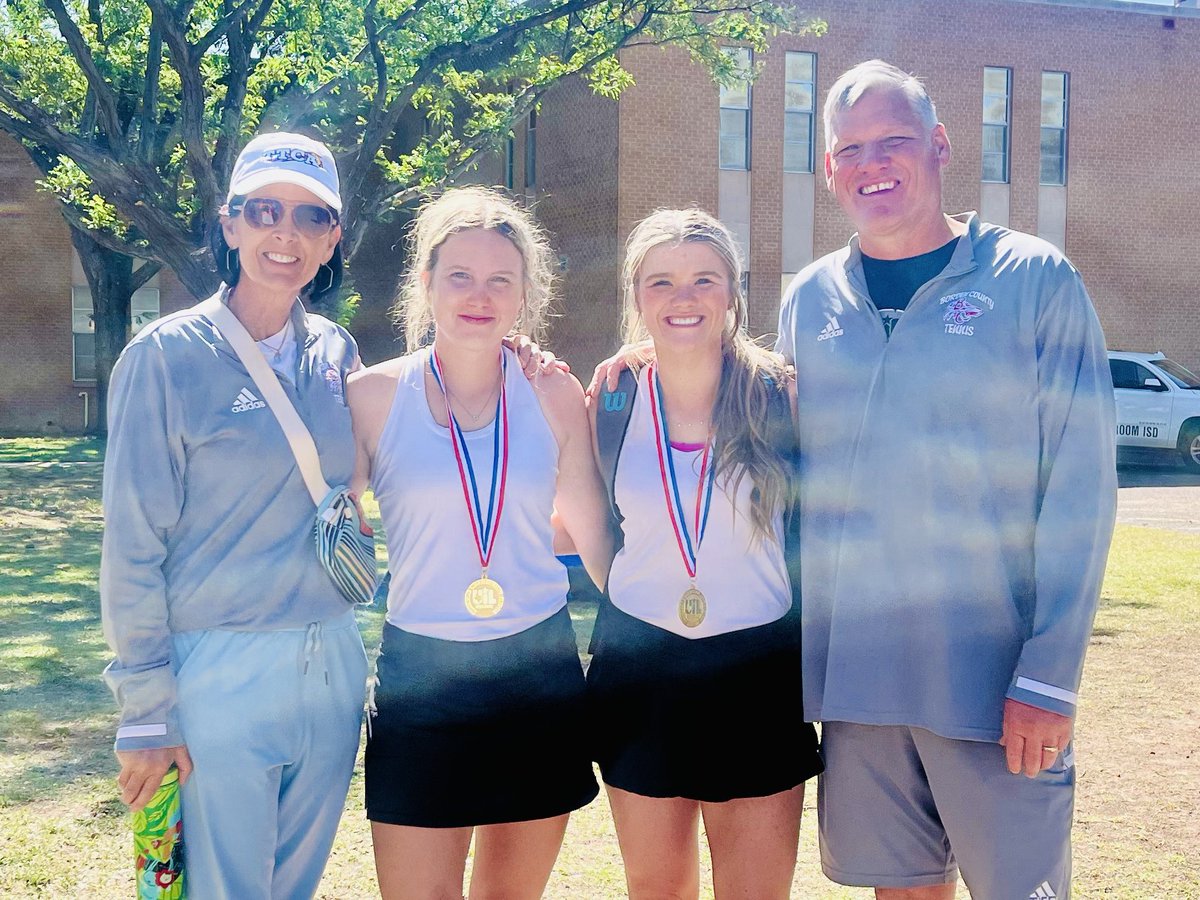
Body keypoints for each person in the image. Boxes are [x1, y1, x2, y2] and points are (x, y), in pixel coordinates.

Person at [773, 60, 1116, 900]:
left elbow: (1079, 485)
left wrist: (1048, 674)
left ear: (939, 145)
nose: (872, 163)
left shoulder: (1034, 281)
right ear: (828, 169)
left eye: (894, 141)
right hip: (856, 686)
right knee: (902, 893)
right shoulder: (809, 300)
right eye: (850, 148)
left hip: (993, 682)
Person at [100, 132, 369, 898]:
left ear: (332, 238)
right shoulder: (164, 357)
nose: (286, 234)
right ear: (230, 224)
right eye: (265, 211)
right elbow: (132, 545)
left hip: (331, 657)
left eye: (310, 217)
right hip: (219, 664)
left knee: (293, 886)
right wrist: (147, 712)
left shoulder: (336, 351)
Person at [347, 186, 612, 900]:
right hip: (419, 679)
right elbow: (323, 529)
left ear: (525, 295)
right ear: (425, 282)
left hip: (539, 672)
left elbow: (594, 533)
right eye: (460, 275)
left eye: (501, 280)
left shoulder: (554, 392)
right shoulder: (370, 398)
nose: (479, 295)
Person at [586, 208, 823, 899]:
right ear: (636, 296)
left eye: (703, 280)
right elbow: (596, 531)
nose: (682, 299)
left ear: (733, 292)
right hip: (641, 670)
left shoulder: (783, 393)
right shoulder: (610, 399)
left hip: (758, 674)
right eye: (660, 282)